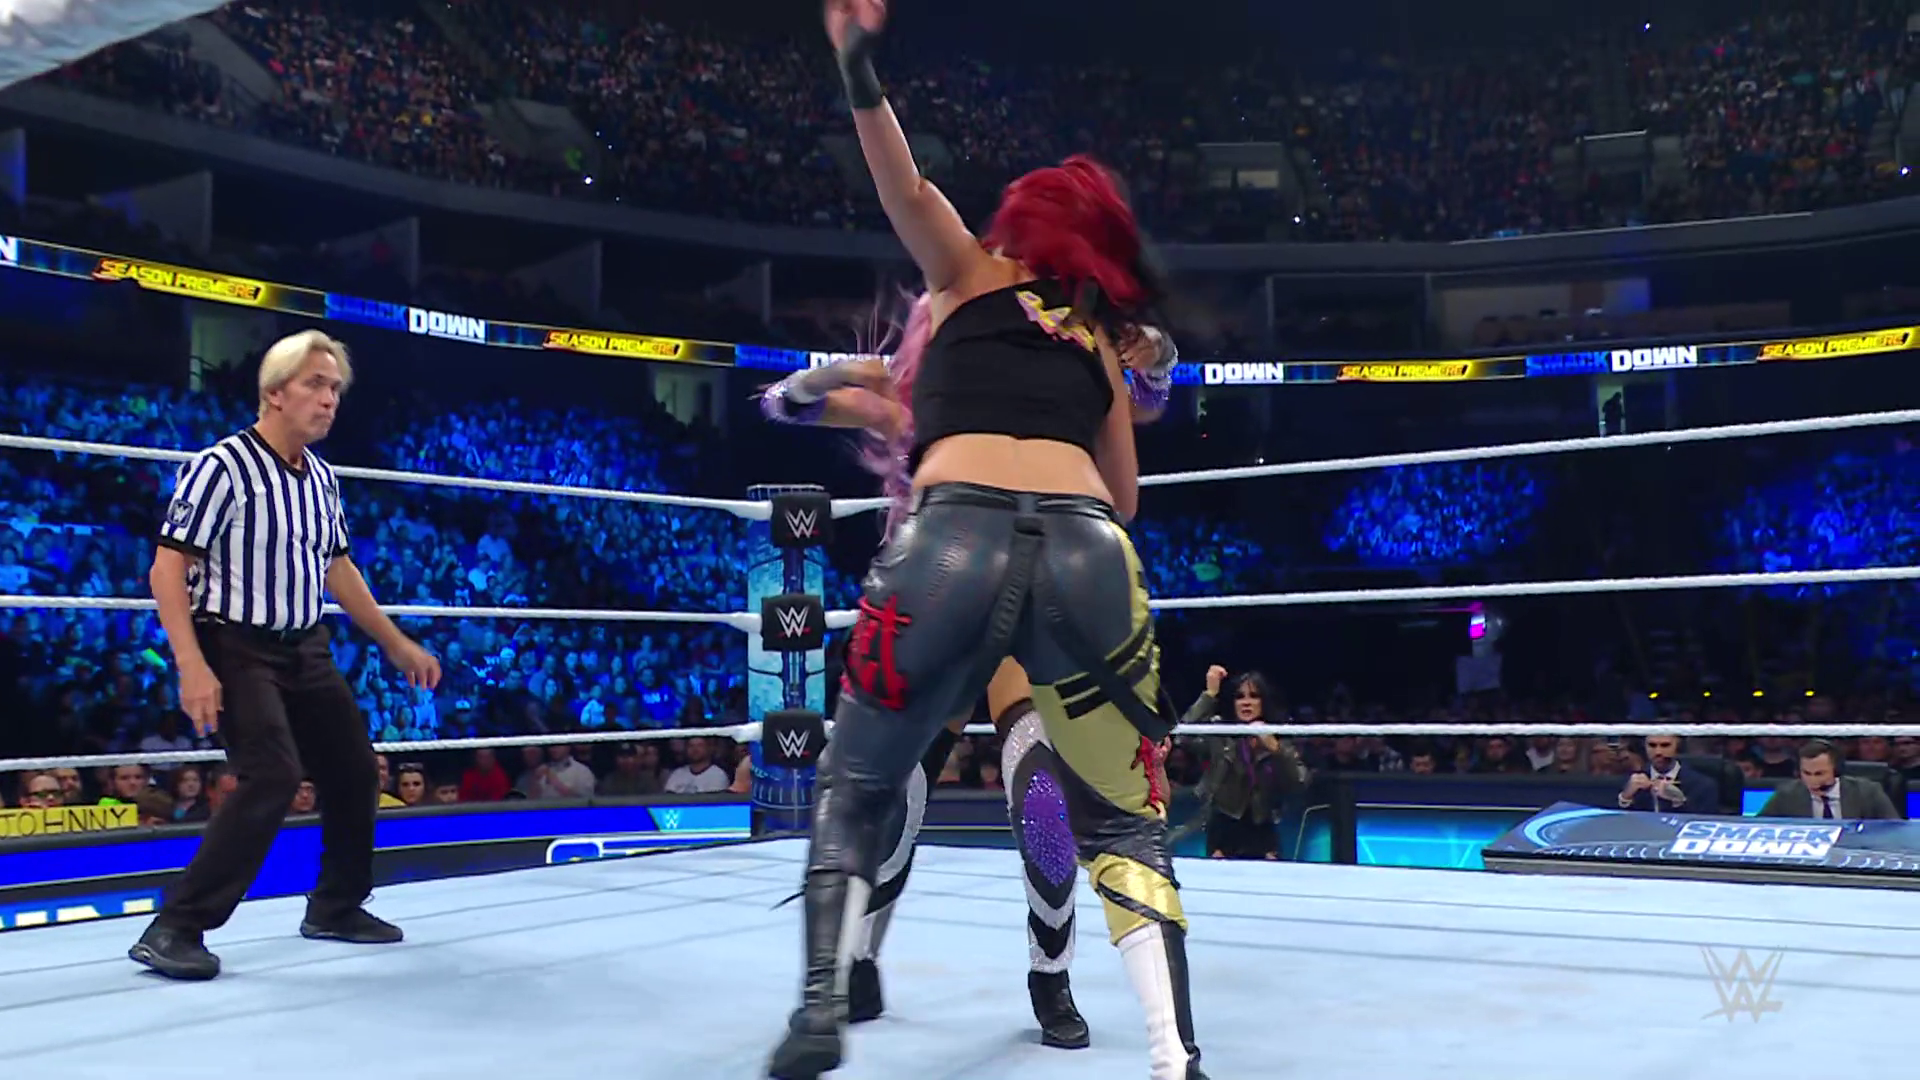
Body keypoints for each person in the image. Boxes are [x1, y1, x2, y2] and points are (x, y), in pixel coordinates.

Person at [754, 1, 1206, 1075]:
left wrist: (858, 69)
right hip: (1078, 554)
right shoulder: (1074, 340)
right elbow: (1124, 494)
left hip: (947, 563)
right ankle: (1168, 1047)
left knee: (919, 777)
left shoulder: (961, 287)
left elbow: (903, 190)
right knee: (1094, 810)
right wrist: (814, 386)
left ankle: (892, 984)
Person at [766, 315, 1179, 1052]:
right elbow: (789, 405)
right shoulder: (924, 384)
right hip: (938, 599)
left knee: (1043, 792)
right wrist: (832, 374)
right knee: (893, 792)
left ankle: (1051, 972)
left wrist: (1154, 351)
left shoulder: (1064, 382)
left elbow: (1146, 396)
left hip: (1040, 596)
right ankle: (856, 960)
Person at [129, 329, 442, 981]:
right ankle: (176, 926)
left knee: (355, 769)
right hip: (235, 643)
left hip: (305, 644)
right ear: (275, 392)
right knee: (272, 774)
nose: (329, 400)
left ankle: (336, 905)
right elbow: (167, 568)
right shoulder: (222, 466)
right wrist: (191, 663)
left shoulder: (322, 478)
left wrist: (394, 641)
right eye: (315, 385)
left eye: (335, 389)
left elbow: (337, 568)